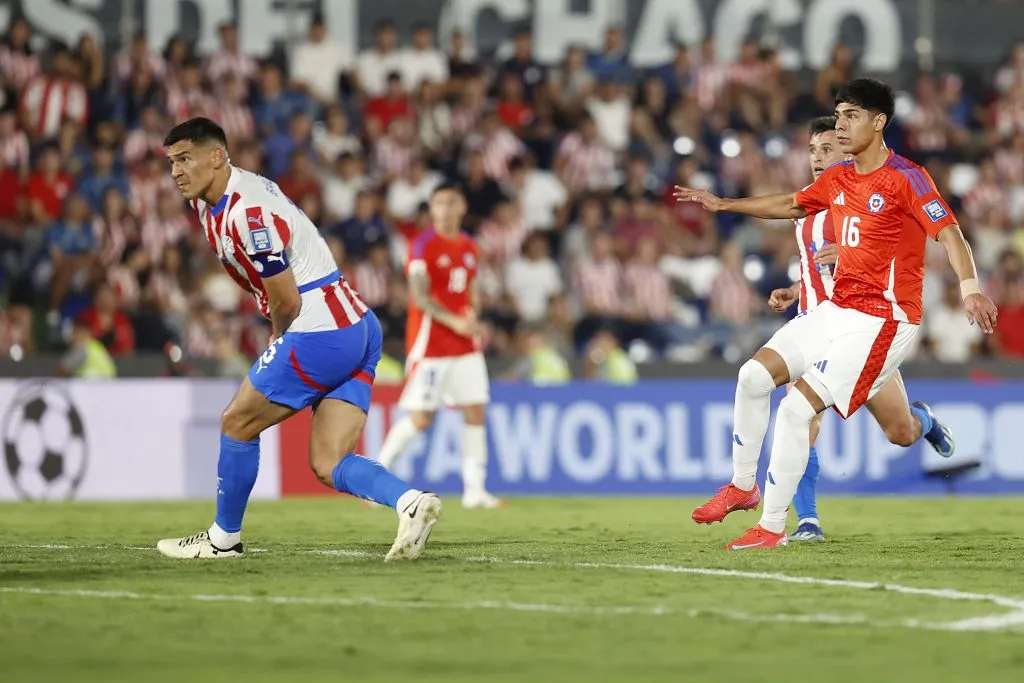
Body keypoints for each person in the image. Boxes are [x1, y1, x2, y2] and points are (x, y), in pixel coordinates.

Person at [675, 79, 998, 550]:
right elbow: (790, 203)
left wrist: (970, 290)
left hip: (883, 321)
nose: (841, 125)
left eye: (851, 117)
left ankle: (772, 528)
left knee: (809, 412)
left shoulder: (907, 177)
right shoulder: (840, 178)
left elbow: (949, 233)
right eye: (838, 115)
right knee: (751, 377)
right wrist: (725, 204)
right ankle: (744, 488)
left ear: (878, 122)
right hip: (835, 311)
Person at [157, 118, 440, 561]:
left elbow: (285, 299)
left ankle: (222, 540)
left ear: (216, 157)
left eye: (185, 158)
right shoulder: (213, 199)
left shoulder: (248, 213)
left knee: (236, 422)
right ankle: (412, 504)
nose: (176, 171)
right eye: (172, 161)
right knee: (328, 462)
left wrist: (276, 341)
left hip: (320, 327)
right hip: (358, 325)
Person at [766, 116, 950, 542]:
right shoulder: (807, 209)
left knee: (900, 433)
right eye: (813, 151)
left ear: (848, 153)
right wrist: (796, 289)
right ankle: (807, 521)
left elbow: (895, 259)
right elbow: (819, 270)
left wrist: (853, 254)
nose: (817, 158)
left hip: (864, 332)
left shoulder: (875, 204)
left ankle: (924, 418)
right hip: (815, 330)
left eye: (827, 149)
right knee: (799, 419)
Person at [375, 183, 503, 509]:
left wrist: (473, 318)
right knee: (421, 418)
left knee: (475, 410)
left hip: (466, 347)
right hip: (430, 346)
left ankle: (474, 491)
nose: (445, 209)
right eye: (439, 203)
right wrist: (456, 321)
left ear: (462, 206)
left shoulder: (469, 246)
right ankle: (376, 477)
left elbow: (471, 289)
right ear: (432, 209)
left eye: (451, 202)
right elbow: (420, 297)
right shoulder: (422, 245)